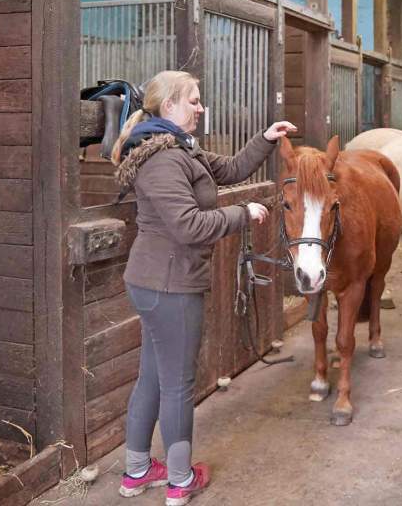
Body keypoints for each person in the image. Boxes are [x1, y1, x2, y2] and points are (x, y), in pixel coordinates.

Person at [110, 70, 296, 504]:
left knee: (154, 378)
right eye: (193, 100)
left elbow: (229, 169)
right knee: (177, 383)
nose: (201, 107)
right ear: (170, 105)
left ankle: (137, 472)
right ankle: (179, 481)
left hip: (160, 281)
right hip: (169, 285)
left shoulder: (179, 148)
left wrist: (265, 138)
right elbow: (189, 225)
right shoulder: (162, 159)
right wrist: (243, 214)